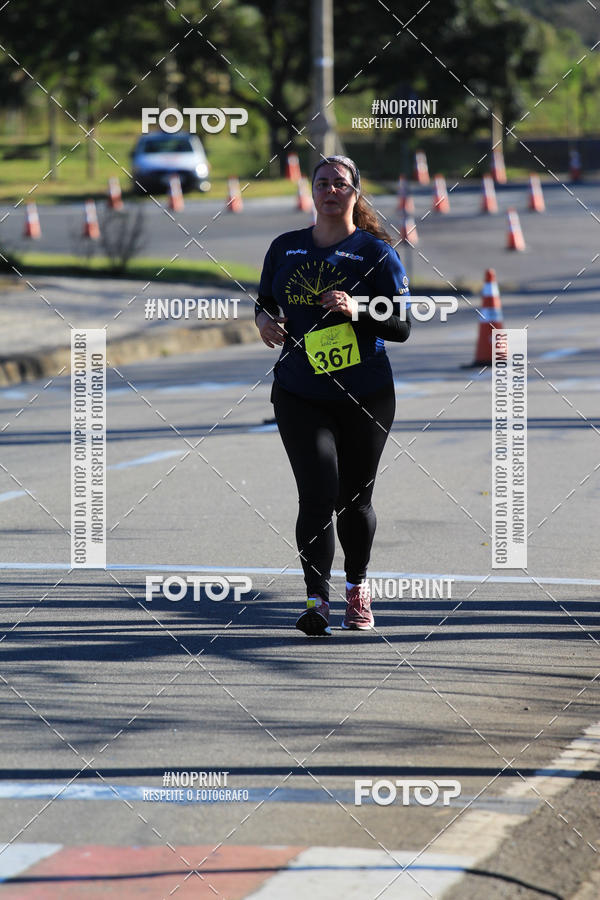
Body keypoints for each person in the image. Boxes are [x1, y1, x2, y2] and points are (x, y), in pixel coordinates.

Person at [255, 155, 411, 636]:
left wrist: (356, 308)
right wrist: (264, 321)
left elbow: (401, 326)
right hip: (300, 391)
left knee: (354, 498)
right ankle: (315, 600)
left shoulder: (376, 254)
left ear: (354, 193)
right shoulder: (286, 247)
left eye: (339, 184)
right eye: (321, 183)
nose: (329, 191)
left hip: (365, 393)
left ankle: (357, 588)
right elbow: (265, 300)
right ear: (312, 191)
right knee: (317, 494)